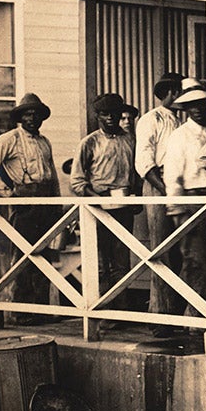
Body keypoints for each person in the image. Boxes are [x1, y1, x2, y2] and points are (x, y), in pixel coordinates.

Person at [0, 93, 61, 326]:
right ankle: (21, 311)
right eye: (28, 113)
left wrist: (58, 204)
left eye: (36, 113)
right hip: (25, 204)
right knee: (24, 257)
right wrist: (7, 193)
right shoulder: (11, 139)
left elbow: (52, 175)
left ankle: (40, 310)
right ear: (20, 116)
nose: (32, 117)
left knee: (44, 257)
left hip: (46, 203)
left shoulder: (44, 142)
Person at [70, 93, 138, 332]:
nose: (110, 117)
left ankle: (120, 311)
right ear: (97, 115)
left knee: (121, 260)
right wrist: (96, 200)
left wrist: (135, 197)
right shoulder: (89, 143)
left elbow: (135, 174)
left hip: (123, 207)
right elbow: (77, 181)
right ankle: (101, 311)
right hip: (97, 208)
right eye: (105, 113)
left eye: (115, 113)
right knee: (100, 261)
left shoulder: (129, 140)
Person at [134, 73, 183, 326]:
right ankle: (159, 312)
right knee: (160, 248)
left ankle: (177, 309)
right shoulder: (151, 119)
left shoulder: (180, 121)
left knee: (181, 249)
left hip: (178, 182)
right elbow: (144, 160)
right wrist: (164, 189)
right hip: (158, 184)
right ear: (171, 92)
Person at [163, 79, 206, 315]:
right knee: (194, 259)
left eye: (203, 104)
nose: (199, 109)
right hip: (192, 201)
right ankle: (191, 313)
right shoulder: (179, 136)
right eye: (193, 105)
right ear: (185, 109)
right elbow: (172, 175)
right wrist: (176, 208)